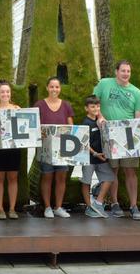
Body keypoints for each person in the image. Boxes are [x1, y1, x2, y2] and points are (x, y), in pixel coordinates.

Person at [94, 60, 140, 221]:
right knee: (113, 170)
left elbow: (139, 116)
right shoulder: (104, 84)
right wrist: (100, 117)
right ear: (116, 71)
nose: (125, 74)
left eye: (128, 71)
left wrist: (139, 136)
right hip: (110, 134)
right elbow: (94, 103)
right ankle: (115, 203)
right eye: (123, 71)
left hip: (129, 135)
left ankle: (133, 205)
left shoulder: (136, 92)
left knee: (130, 171)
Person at [35, 76, 74, 218]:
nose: (54, 89)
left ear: (60, 89)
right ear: (47, 88)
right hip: (45, 148)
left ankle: (58, 207)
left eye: (57, 87)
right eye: (51, 86)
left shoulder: (66, 105)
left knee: (61, 178)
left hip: (63, 149)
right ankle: (47, 207)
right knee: (47, 177)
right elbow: (34, 126)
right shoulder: (39, 105)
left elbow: (71, 127)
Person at [0, 80, 21, 220]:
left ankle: (12, 209)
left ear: (10, 93)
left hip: (14, 148)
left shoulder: (17, 108)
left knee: (13, 177)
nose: (5, 94)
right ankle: (0, 209)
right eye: (2, 92)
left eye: (7, 91)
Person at [80, 95, 115, 219]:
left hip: (102, 158)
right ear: (86, 108)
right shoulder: (86, 123)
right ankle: (89, 207)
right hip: (89, 158)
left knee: (110, 177)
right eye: (92, 106)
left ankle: (98, 203)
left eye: (98, 106)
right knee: (86, 182)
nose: (96, 108)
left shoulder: (100, 122)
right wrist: (95, 153)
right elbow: (84, 142)